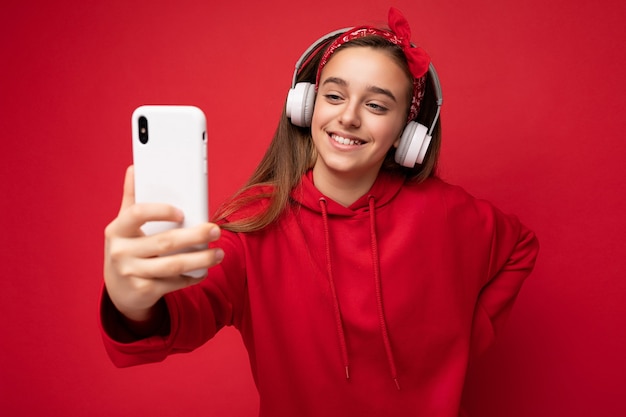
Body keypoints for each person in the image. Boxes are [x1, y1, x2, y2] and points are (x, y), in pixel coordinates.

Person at [101, 7, 539, 417]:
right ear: (305, 106)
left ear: (408, 134)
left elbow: (519, 245)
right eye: (334, 95)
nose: (348, 117)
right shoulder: (256, 221)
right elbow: (183, 313)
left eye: (376, 105)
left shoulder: (446, 212)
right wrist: (131, 303)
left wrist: (463, 339)